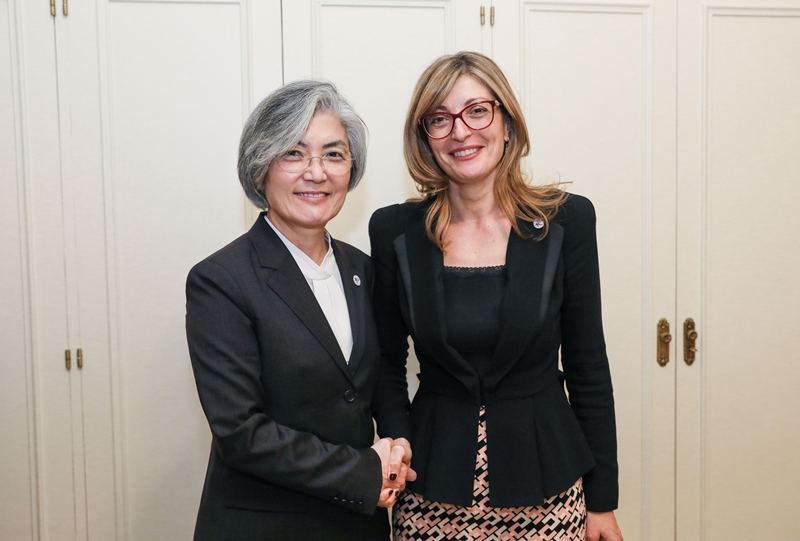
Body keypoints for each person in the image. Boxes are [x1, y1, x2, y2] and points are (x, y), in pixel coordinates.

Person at [369, 52, 623, 541]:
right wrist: (397, 442)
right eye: (439, 119)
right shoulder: (395, 230)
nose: (460, 131)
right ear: (425, 138)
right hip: (431, 490)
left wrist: (602, 501)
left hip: (548, 490)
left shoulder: (565, 222)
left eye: (477, 111)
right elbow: (385, 360)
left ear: (506, 122)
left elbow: (589, 366)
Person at [186, 80, 413, 541]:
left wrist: (397, 446)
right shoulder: (221, 279)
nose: (316, 172)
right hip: (263, 524)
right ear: (260, 166)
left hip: (358, 524)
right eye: (293, 153)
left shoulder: (364, 270)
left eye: (334, 154)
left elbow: (381, 378)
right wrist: (364, 471)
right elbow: (240, 431)